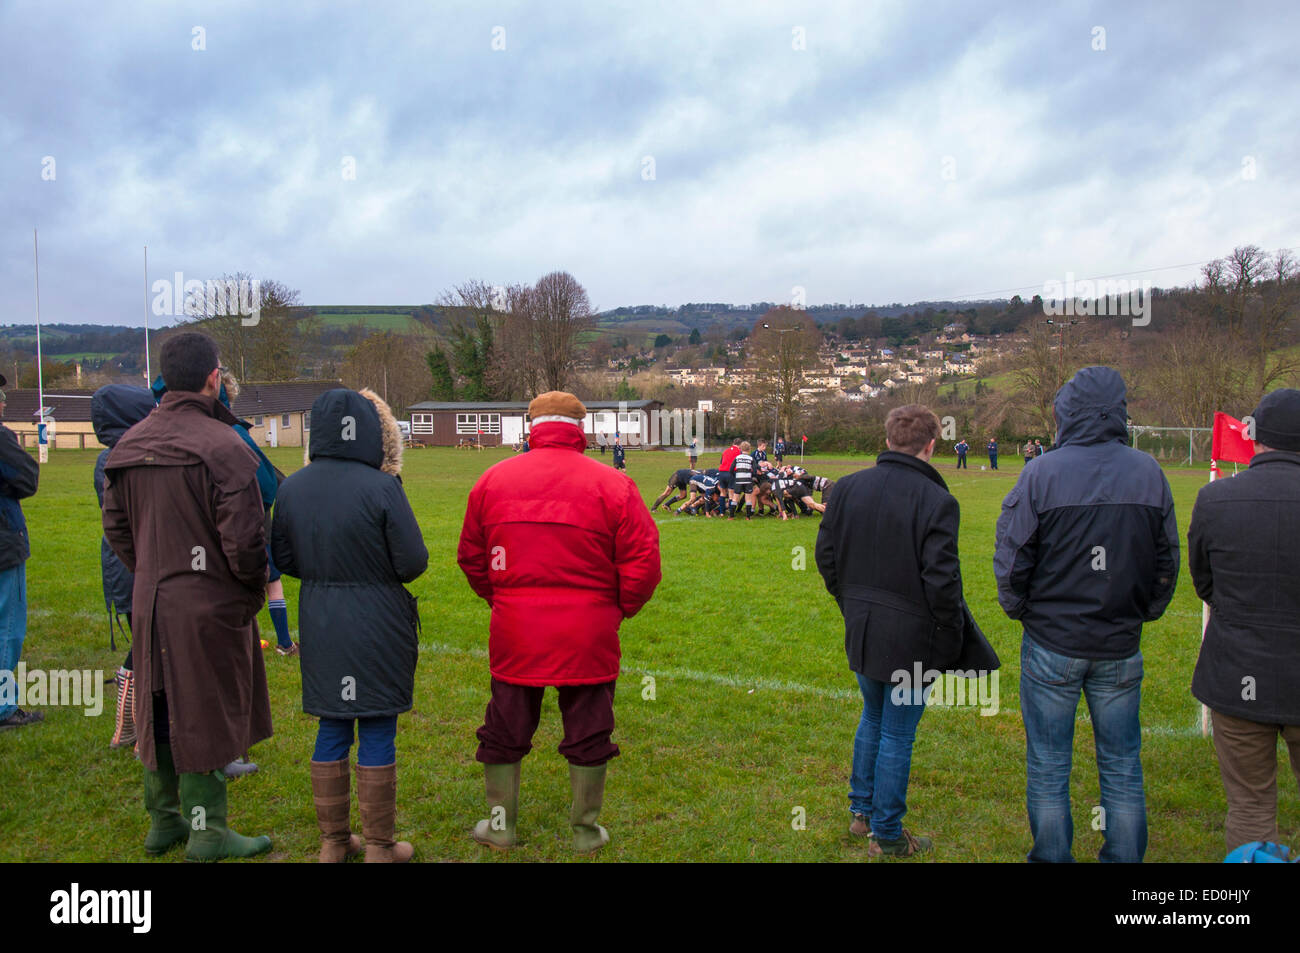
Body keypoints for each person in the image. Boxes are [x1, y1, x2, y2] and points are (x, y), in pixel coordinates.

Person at [458, 391, 661, 853]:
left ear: (532, 427)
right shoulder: (613, 484)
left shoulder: (492, 480)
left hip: (517, 631)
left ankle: (501, 825)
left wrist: (504, 599)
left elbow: (471, 556)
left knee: (505, 728)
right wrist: (617, 609)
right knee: (590, 728)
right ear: (581, 430)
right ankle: (586, 832)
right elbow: (643, 561)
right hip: (587, 631)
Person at [995, 366, 1178, 863]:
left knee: (1051, 763)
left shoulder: (1044, 473)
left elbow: (1012, 559)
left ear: (1066, 414)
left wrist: (1022, 609)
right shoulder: (1146, 472)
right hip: (1099, 640)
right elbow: (1167, 562)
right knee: (1120, 763)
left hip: (1073, 641)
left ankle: (1059, 856)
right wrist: (1142, 612)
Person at [103, 332, 273, 860]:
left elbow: (117, 529)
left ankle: (164, 820)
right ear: (213, 377)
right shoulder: (226, 446)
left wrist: (155, 570)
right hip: (207, 603)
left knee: (160, 704)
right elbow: (246, 542)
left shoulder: (128, 444)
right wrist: (245, 591)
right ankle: (205, 831)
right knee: (203, 710)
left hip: (153, 599)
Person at [273, 388, 428, 863]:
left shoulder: (292, 487)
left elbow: (282, 558)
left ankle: (333, 843)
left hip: (321, 619)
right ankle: (380, 846)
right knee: (378, 724)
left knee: (333, 724)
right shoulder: (383, 487)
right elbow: (412, 562)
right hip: (378, 620)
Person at [815, 404, 976, 857]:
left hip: (868, 627)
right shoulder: (933, 500)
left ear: (887, 441)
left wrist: (852, 604)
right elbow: (943, 583)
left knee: (875, 718)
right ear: (930, 445)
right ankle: (883, 830)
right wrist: (949, 634)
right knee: (893, 730)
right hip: (903, 635)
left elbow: (826, 557)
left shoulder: (852, 488)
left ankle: (863, 811)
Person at [1188, 388, 1300, 854]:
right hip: (1241, 674)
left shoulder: (1216, 500)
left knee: (1250, 807)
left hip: (1238, 674)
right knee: (1250, 807)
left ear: (1256, 439)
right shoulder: (1215, 497)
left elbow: (1206, 582)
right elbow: (1206, 582)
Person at [91, 384, 156, 748]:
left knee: (149, 645)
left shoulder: (118, 455)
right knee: (147, 648)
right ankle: (135, 729)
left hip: (128, 563)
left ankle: (133, 730)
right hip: (132, 563)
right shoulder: (120, 458)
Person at [0, 376, 41, 730]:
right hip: (2, 543)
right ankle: (2, 707)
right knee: (6, 625)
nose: (2, 402)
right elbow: (27, 478)